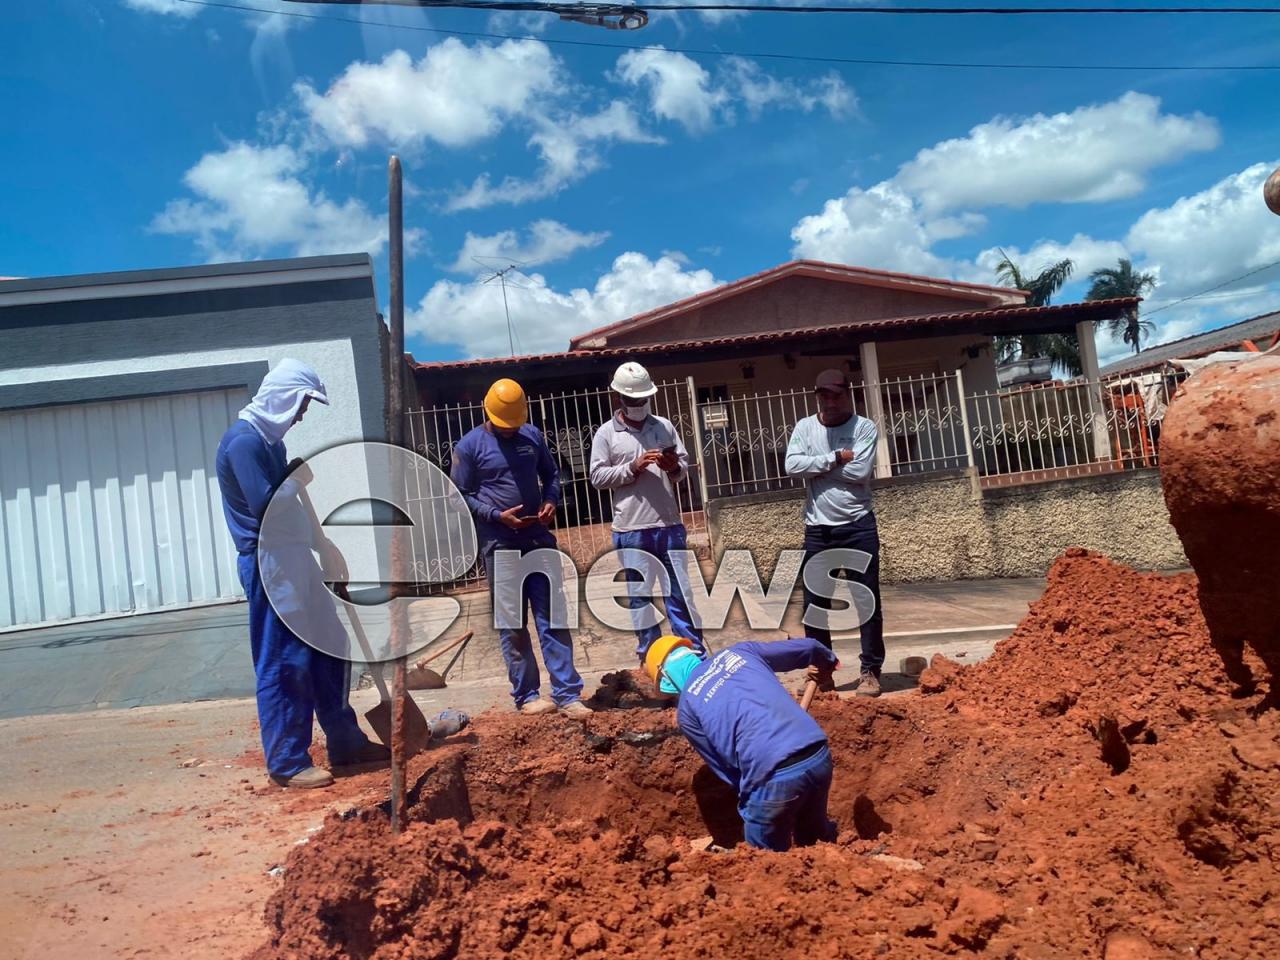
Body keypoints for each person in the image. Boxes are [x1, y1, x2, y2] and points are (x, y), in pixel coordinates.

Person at [215, 360, 387, 789]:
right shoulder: (243, 443)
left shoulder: (270, 444)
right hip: (268, 560)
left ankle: (345, 741)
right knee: (284, 660)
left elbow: (291, 509)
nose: (304, 413)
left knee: (331, 643)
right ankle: (287, 762)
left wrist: (324, 547)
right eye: (303, 403)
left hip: (294, 555)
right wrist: (296, 479)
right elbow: (265, 506)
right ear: (283, 397)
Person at [451, 377, 591, 718]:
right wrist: (496, 515)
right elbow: (459, 495)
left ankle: (567, 694)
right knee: (513, 625)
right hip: (501, 545)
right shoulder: (469, 447)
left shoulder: (532, 436)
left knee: (553, 617)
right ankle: (527, 695)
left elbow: (554, 474)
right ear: (489, 413)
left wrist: (550, 500)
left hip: (539, 539)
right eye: (505, 426)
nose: (511, 430)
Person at [645, 634, 839, 852]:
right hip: (818, 754)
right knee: (817, 844)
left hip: (772, 775)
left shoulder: (687, 711)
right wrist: (827, 661)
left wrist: (758, 808)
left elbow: (729, 771)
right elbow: (810, 646)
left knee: (765, 864)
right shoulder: (739, 652)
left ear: (666, 680)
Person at [589, 361, 706, 664]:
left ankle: (693, 654)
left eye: (642, 400)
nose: (638, 405)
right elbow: (597, 477)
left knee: (679, 593)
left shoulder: (664, 427)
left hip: (667, 525)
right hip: (631, 530)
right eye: (632, 400)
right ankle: (652, 659)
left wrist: (673, 467)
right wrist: (633, 467)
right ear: (619, 398)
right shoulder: (606, 435)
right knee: (641, 599)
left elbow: (682, 466)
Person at [784, 368, 885, 697]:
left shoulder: (864, 428)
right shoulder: (805, 427)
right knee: (815, 606)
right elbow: (791, 467)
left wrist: (817, 466)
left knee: (866, 603)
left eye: (835, 395)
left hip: (858, 527)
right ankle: (822, 672)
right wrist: (835, 458)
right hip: (818, 530)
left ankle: (870, 670)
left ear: (847, 394)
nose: (829, 402)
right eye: (823, 396)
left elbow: (860, 471)